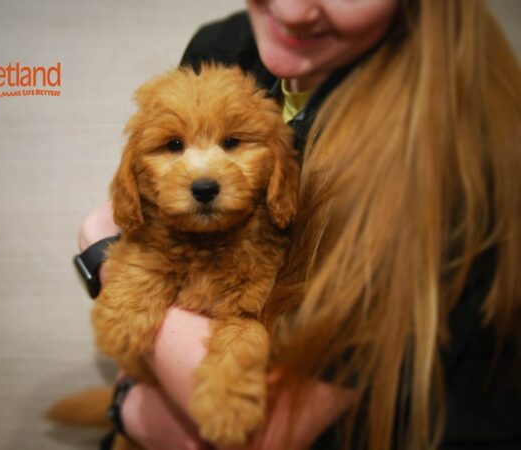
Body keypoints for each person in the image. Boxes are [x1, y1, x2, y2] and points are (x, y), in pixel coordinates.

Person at [76, 1, 521, 449]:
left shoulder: (448, 154)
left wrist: (102, 254)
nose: (292, 10)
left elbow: (265, 432)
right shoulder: (227, 45)